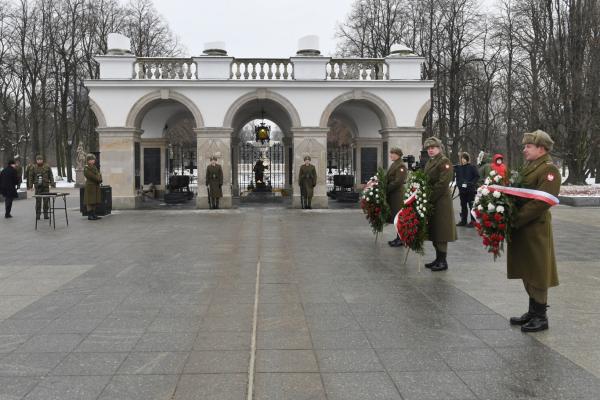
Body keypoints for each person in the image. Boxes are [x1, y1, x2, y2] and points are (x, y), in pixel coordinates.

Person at [508, 130, 560, 332]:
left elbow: (541, 202)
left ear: (541, 148)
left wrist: (516, 219)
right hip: (524, 228)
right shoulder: (531, 167)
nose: (524, 150)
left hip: (535, 228)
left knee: (538, 271)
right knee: (527, 269)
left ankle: (541, 316)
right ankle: (532, 311)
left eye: (528, 146)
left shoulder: (549, 170)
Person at [423, 137, 456, 271]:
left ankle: (443, 261)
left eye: (433, 148)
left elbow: (442, 184)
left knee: (442, 231)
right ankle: (438, 258)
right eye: (429, 148)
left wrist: (429, 197)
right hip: (432, 200)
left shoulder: (444, 162)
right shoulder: (430, 162)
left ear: (439, 148)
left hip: (441, 202)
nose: (430, 150)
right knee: (435, 230)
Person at [386, 147, 408, 247]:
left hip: (397, 195)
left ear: (398, 154)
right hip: (393, 194)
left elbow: (398, 181)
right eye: (390, 153)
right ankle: (398, 237)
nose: (390, 155)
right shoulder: (395, 164)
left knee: (399, 217)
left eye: (392, 153)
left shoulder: (401, 165)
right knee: (396, 217)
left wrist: (387, 188)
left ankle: (401, 239)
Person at [455, 152, 479, 227]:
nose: (463, 160)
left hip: (470, 190)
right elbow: (457, 178)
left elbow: (477, 176)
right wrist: (459, 185)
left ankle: (473, 221)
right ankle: (463, 221)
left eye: (465, 158)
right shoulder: (459, 168)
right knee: (463, 205)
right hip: (462, 190)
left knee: (471, 205)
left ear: (467, 159)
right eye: (462, 158)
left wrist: (472, 183)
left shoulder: (472, 167)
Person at [27, 154, 54, 220]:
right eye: (38, 160)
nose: (39, 161)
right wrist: (30, 186)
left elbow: (51, 175)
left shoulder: (47, 166)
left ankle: (46, 214)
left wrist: (52, 183)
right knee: (38, 201)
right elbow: (30, 177)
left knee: (46, 201)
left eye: (40, 159)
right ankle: (38, 214)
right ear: (36, 160)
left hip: (45, 186)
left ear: (42, 160)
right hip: (37, 186)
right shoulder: (33, 167)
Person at [84, 153, 103, 220]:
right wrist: (98, 178)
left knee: (95, 201)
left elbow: (99, 174)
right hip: (90, 187)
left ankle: (94, 214)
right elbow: (92, 176)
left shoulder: (94, 167)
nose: (94, 161)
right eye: (92, 159)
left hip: (96, 186)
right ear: (88, 161)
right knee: (90, 201)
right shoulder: (86, 168)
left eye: (93, 159)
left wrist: (99, 178)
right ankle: (90, 215)